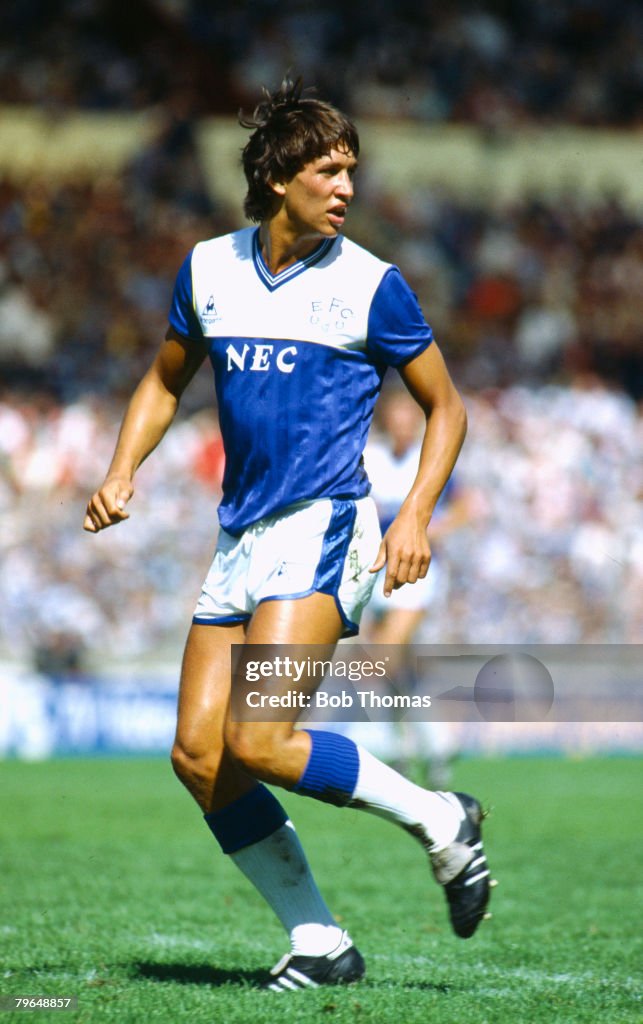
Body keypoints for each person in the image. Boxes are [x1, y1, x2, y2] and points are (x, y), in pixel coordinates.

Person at [84, 78, 493, 992]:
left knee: (262, 738)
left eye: (350, 169)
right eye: (326, 169)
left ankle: (438, 819)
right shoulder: (209, 269)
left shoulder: (370, 285)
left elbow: (447, 408)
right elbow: (163, 382)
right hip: (242, 537)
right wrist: (122, 469)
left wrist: (415, 511)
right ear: (276, 177)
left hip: (323, 528)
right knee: (199, 756)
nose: (345, 186)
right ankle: (320, 942)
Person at [364, 386, 474, 787]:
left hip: (417, 571)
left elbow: (464, 505)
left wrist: (432, 529)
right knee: (397, 669)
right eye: (395, 416)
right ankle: (431, 745)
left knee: (382, 656)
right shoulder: (370, 457)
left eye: (408, 416)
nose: (402, 423)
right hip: (376, 571)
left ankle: (402, 747)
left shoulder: (428, 459)